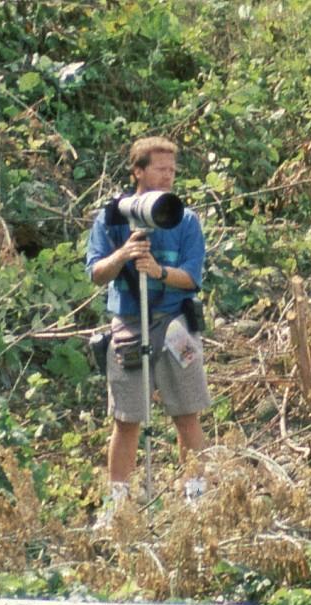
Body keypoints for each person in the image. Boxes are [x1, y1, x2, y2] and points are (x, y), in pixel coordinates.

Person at [86, 136, 210, 521]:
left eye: (172, 170)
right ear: (137, 171)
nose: (169, 176)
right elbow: (95, 273)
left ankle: (196, 498)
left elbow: (191, 277)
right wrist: (124, 254)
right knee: (126, 420)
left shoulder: (185, 220)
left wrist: (157, 272)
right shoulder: (112, 218)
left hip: (175, 327)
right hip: (127, 326)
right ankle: (117, 506)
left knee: (187, 413)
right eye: (160, 168)